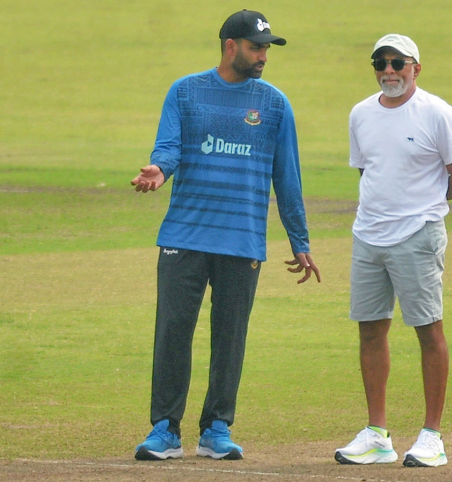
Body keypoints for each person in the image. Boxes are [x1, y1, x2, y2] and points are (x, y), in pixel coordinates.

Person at [131, 9, 320, 461]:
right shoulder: (186, 91)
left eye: (267, 49)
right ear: (230, 46)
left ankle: (217, 427)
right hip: (185, 235)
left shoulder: (274, 104)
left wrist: (300, 240)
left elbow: (287, 177)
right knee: (173, 332)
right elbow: (169, 146)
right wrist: (160, 169)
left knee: (229, 335)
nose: (263, 57)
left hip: (242, 238)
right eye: (257, 47)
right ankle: (165, 429)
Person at [334, 33, 452, 468]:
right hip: (368, 234)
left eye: (399, 62)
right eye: (381, 62)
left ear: (417, 67)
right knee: (370, 330)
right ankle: (377, 434)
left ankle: (432, 436)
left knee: (428, 330)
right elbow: (368, 170)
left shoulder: (438, 114)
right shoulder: (361, 113)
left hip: (419, 234)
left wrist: (425, 204)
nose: (389, 71)